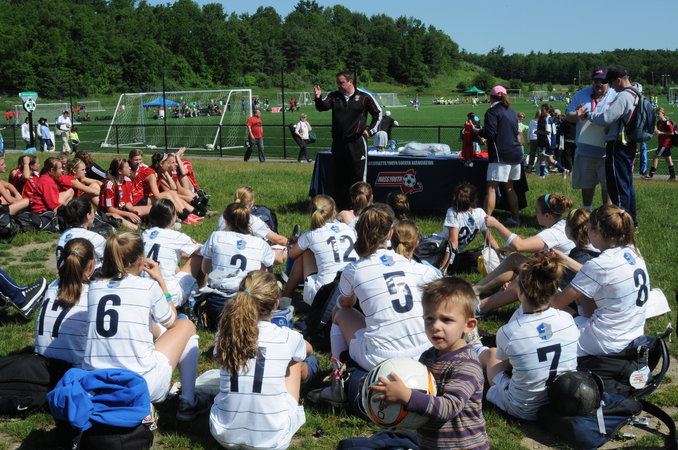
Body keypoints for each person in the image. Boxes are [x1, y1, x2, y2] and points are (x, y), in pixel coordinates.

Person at [308, 204, 440, 406]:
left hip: (381, 356)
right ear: (390, 234)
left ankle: (338, 382)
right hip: (424, 351)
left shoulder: (354, 270)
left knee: (340, 313)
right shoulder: (418, 268)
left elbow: (345, 303)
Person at [83, 232, 210, 420]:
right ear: (140, 259)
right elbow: (171, 320)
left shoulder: (94, 287)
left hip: (97, 382)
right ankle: (188, 402)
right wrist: (161, 281)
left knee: (151, 325)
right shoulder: (146, 286)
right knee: (185, 324)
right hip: (139, 383)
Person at [370, 277, 488, 449]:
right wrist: (376, 387)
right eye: (430, 318)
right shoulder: (428, 356)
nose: (436, 326)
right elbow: (418, 390)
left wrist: (407, 395)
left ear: (468, 325)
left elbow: (449, 407)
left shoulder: (467, 364)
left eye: (446, 320)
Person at [209, 271, 317, 449]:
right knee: (299, 359)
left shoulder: (224, 335)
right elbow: (309, 350)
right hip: (272, 440)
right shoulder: (286, 336)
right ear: (275, 305)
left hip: (224, 434)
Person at [483, 254, 579, 421]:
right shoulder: (568, 320)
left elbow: (504, 363)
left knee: (490, 354)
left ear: (519, 290)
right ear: (554, 290)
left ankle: (472, 347)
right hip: (558, 400)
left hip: (523, 408)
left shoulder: (510, 331)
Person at [551, 205, 648, 357]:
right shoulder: (633, 251)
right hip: (632, 333)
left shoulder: (599, 264)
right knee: (581, 294)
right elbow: (594, 274)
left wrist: (540, 283)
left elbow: (557, 304)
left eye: (589, 228)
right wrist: (564, 259)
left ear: (595, 232)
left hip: (605, 341)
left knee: (546, 326)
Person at [473, 193, 575, 300]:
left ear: (547, 216)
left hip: (559, 282)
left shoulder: (554, 233)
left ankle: (477, 294)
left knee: (515, 260)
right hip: (562, 276)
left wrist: (497, 225)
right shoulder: (563, 225)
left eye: (537, 210)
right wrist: (512, 248)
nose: (535, 214)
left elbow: (519, 245)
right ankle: (479, 290)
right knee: (516, 261)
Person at [581, 66, 640, 227]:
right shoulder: (636, 93)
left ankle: (621, 225)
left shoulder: (624, 96)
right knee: (626, 184)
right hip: (628, 143)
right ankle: (632, 221)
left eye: (611, 83)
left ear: (618, 80)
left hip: (618, 144)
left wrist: (588, 115)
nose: (611, 87)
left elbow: (606, 118)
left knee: (617, 186)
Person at [314, 71, 382, 210]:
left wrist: (370, 131)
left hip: (357, 143)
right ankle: (340, 209)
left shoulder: (364, 97)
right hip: (338, 144)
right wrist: (318, 98)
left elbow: (378, 113)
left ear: (350, 82)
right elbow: (322, 107)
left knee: (358, 177)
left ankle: (361, 209)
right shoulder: (334, 96)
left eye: (341, 83)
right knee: (339, 176)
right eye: (338, 83)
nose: (339, 85)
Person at [281, 195, 357, 305]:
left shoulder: (311, 235)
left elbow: (292, 254)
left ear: (312, 213)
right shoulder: (347, 228)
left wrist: (298, 243)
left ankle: (285, 297)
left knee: (305, 252)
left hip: (324, 296)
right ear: (334, 212)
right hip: (353, 293)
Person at [34, 238, 94, 366]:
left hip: (40, 366)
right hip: (73, 372)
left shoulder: (52, 286)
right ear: (91, 264)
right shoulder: (92, 294)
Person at [566, 67, 616, 211]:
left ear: (608, 82)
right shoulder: (581, 94)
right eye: (596, 81)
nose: (598, 84)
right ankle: (587, 212)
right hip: (585, 150)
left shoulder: (615, 95)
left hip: (607, 152)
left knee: (607, 186)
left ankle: (606, 215)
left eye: (602, 81)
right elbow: (569, 116)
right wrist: (577, 115)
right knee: (587, 185)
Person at [142, 199, 203, 307]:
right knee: (199, 255)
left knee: (171, 260)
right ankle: (201, 293)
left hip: (146, 295)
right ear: (173, 217)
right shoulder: (175, 236)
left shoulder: (145, 234)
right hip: (169, 296)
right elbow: (203, 250)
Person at [478, 86, 522, 226]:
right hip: (515, 153)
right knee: (510, 187)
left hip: (500, 154)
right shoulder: (511, 111)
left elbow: (490, 133)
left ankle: (486, 222)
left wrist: (478, 131)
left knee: (491, 188)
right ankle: (516, 218)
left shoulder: (492, 111)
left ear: (491, 97)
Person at [202, 202, 276, 285]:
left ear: (225, 221)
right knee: (265, 266)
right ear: (248, 221)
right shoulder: (260, 243)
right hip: (248, 291)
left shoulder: (216, 236)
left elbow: (205, 269)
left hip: (218, 289)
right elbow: (270, 264)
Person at [439, 183, 499, 274]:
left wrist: (444, 268)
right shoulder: (480, 213)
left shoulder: (453, 212)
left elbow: (453, 242)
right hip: (451, 253)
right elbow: (490, 240)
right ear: (474, 199)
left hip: (440, 249)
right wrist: (501, 256)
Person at [56, 197, 106, 269]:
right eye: (93, 212)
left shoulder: (62, 237)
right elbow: (110, 263)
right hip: (89, 275)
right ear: (88, 216)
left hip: (64, 275)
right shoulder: (95, 238)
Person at [99, 157, 148, 230]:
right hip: (109, 214)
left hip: (123, 210)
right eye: (127, 167)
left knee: (149, 208)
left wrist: (133, 210)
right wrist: (128, 214)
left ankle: (153, 223)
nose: (130, 168)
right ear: (120, 171)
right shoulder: (110, 185)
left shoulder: (128, 181)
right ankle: (139, 230)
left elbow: (127, 202)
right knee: (115, 216)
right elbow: (110, 209)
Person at [643, 107, 675, 181]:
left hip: (665, 144)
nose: (657, 115)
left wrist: (661, 132)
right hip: (661, 143)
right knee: (668, 159)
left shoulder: (667, 122)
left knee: (655, 157)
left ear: (663, 114)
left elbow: (672, 133)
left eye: (658, 113)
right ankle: (673, 177)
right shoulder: (659, 122)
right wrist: (656, 132)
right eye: (656, 114)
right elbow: (659, 132)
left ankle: (650, 175)